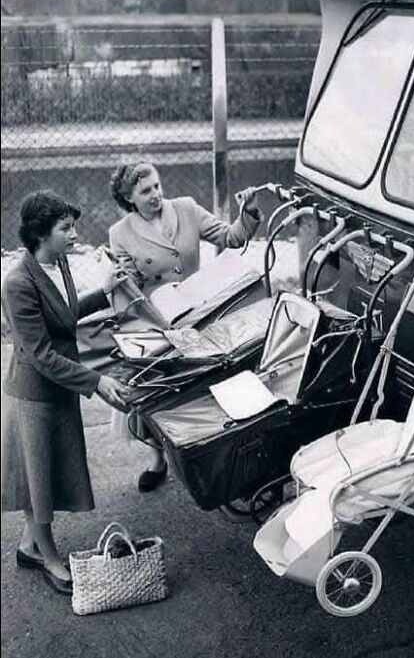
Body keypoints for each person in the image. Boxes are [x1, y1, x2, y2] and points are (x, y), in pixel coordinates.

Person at [1, 192, 132, 595]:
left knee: (44, 473)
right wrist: (98, 381)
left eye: (73, 226)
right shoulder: (17, 283)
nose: (75, 234)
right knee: (37, 479)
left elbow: (66, 314)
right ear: (41, 233)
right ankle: (49, 557)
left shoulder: (59, 263)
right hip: (35, 393)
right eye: (66, 228)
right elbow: (39, 354)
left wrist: (106, 290)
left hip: (62, 385)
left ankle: (29, 546)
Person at [107, 161, 262, 491]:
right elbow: (130, 286)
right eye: (145, 191)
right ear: (128, 197)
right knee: (156, 389)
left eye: (157, 186)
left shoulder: (186, 208)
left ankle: (219, 449)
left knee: (214, 378)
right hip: (158, 318)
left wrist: (247, 213)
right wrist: (118, 284)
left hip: (201, 309)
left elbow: (229, 237)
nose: (156, 195)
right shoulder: (119, 234)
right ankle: (158, 459)